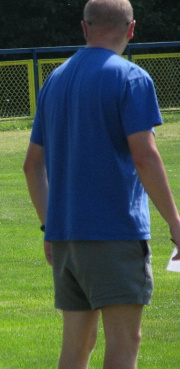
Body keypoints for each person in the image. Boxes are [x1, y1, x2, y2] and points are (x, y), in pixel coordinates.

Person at [23, 1, 180, 368]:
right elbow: (145, 156)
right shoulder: (131, 77)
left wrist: (51, 227)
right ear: (131, 29)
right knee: (125, 343)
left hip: (66, 238)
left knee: (77, 345)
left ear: (84, 28)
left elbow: (32, 165)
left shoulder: (55, 79)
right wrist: (175, 223)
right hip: (114, 232)